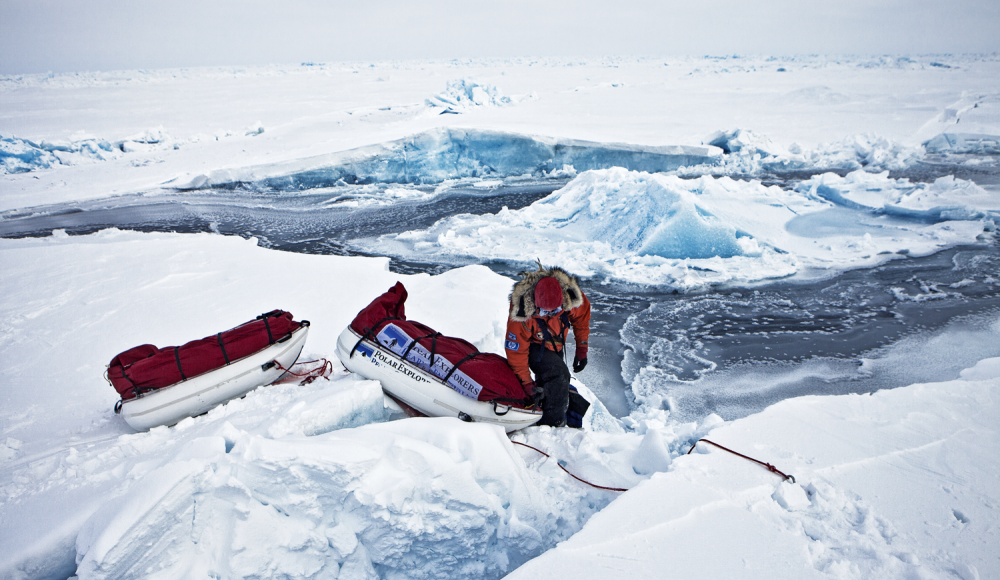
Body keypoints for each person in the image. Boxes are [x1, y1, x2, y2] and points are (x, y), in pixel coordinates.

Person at [505, 264, 591, 427]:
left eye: (555, 311)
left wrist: (582, 348)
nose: (550, 316)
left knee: (552, 381)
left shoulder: (571, 296)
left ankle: (542, 409)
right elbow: (516, 351)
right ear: (536, 306)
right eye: (545, 313)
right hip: (534, 347)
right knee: (558, 374)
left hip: (555, 344)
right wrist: (526, 383)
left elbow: (581, 320)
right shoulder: (522, 311)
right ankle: (552, 424)